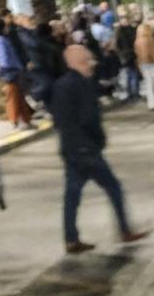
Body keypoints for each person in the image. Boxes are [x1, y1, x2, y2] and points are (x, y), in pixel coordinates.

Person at [49, 43, 148, 255]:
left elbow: (57, 119)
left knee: (72, 196)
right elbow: (89, 118)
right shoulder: (81, 85)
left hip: (70, 148)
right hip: (87, 149)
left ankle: (71, 239)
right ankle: (124, 230)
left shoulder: (60, 85)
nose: (92, 63)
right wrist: (98, 140)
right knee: (113, 187)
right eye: (88, 60)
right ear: (80, 62)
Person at [0, 18, 36, 130]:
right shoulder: (0, 41)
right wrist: (14, 68)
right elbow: (4, 59)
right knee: (14, 96)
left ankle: (25, 120)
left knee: (18, 96)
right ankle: (16, 120)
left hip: (11, 71)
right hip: (11, 72)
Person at [135, 19, 154, 109]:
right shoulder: (150, 40)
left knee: (149, 83)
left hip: (143, 63)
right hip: (153, 63)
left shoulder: (137, 41)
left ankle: (151, 103)